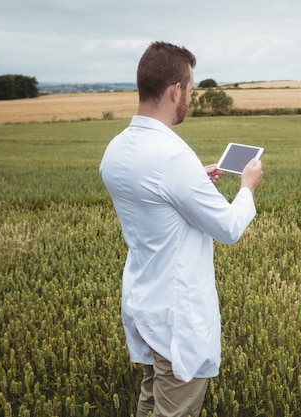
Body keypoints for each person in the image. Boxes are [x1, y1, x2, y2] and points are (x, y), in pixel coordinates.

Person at [99, 41, 263, 417]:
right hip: (175, 316)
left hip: (142, 303)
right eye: (190, 89)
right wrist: (247, 187)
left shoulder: (117, 148)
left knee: (150, 399)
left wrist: (193, 181)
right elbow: (228, 228)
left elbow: (151, 197)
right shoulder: (172, 156)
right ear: (176, 90)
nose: (191, 96)